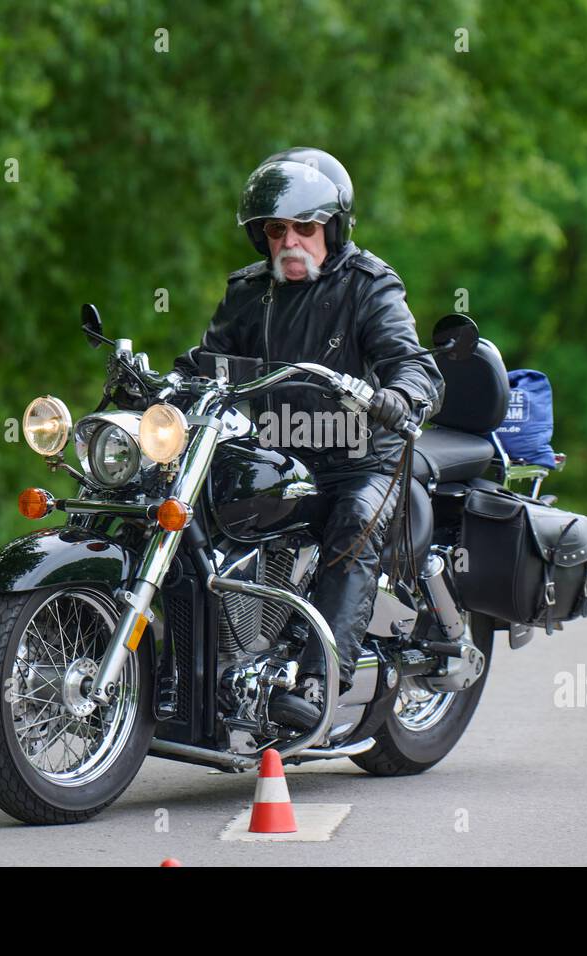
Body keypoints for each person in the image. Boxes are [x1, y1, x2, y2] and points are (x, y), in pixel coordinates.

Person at [176, 147, 443, 729]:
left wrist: (400, 397)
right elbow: (208, 362)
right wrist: (161, 387)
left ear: (333, 226)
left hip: (364, 458)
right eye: (277, 230)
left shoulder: (370, 286)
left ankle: (322, 680)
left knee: (353, 525)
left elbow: (413, 363)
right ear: (262, 236)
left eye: (306, 226)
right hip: (279, 452)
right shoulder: (249, 292)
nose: (291, 241)